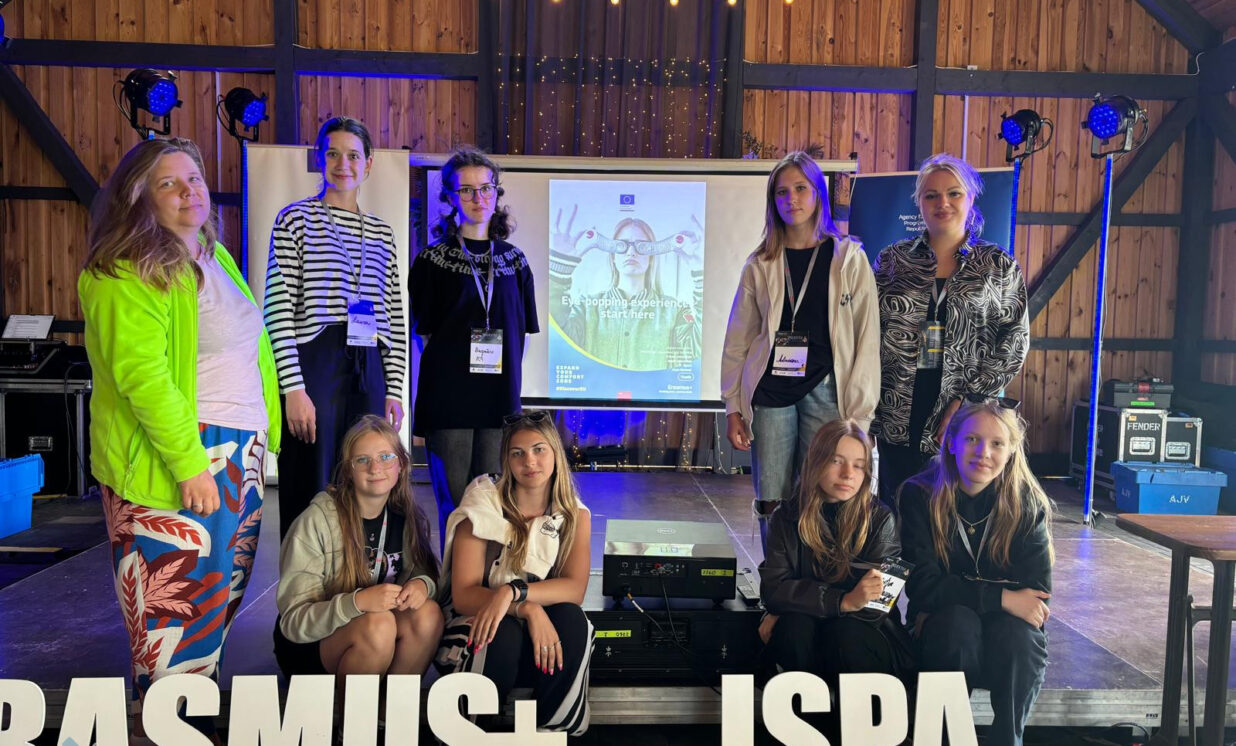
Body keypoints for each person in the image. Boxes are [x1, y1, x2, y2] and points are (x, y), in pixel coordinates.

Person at [80, 137, 281, 741]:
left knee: (216, 603)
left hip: (238, 452)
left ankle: (190, 721)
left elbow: (250, 348)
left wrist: (265, 433)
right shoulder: (123, 270)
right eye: (168, 182)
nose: (188, 190)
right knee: (170, 611)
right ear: (138, 196)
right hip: (181, 454)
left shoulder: (212, 256)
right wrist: (190, 464)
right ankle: (161, 724)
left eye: (193, 178)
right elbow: (142, 378)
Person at [721, 151, 880, 551]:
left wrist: (861, 414)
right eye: (781, 192)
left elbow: (867, 338)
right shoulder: (760, 263)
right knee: (772, 498)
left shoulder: (849, 258)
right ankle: (777, 577)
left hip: (828, 390)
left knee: (822, 492)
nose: (791, 199)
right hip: (770, 392)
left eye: (800, 189)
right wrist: (733, 405)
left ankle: (817, 576)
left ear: (818, 194)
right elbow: (738, 339)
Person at [264, 116, 408, 538]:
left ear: (368, 164)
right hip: (316, 362)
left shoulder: (381, 233)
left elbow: (393, 315)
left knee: (368, 477)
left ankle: (360, 572)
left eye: (353, 156)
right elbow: (277, 309)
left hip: (369, 361)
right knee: (311, 479)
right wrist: (293, 389)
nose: (343, 164)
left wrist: (394, 388)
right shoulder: (295, 219)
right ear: (320, 159)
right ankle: (304, 577)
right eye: (332, 154)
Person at [872, 153, 1029, 510]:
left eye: (953, 193)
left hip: (964, 413)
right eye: (931, 195)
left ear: (971, 198)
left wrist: (969, 400)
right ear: (919, 202)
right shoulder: (893, 260)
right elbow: (867, 333)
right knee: (897, 508)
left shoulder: (997, 265)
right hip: (898, 405)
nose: (942, 203)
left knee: (950, 511)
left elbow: (1014, 341)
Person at [899, 399, 1053, 746]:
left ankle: (1008, 740)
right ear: (951, 442)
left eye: (997, 443)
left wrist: (960, 590)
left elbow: (1036, 596)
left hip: (1004, 632)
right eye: (972, 439)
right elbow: (922, 586)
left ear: (1011, 451)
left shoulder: (1028, 503)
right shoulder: (919, 494)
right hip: (945, 630)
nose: (984, 452)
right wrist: (1002, 596)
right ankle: (940, 739)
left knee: (1021, 638)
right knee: (957, 625)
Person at [434, 411, 592, 736]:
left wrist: (513, 592)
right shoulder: (483, 501)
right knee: (502, 632)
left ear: (555, 452)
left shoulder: (574, 513)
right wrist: (526, 608)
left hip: (536, 637)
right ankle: (471, 731)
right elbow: (463, 595)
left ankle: (551, 732)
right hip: (476, 623)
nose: (529, 461)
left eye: (539, 450)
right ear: (505, 460)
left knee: (572, 620)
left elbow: (574, 589)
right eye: (517, 453)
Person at [410, 146, 539, 542]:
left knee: (495, 505)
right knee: (455, 507)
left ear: (496, 193)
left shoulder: (515, 261)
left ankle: (486, 578)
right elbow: (423, 334)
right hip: (449, 399)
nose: (478, 198)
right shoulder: (431, 260)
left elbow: (523, 333)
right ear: (450, 197)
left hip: (498, 400)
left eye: (486, 188)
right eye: (466, 190)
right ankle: (453, 580)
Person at [274, 415, 442, 702]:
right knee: (379, 624)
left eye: (385, 457)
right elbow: (293, 622)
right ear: (348, 471)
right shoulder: (317, 520)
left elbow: (425, 575)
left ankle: (389, 714)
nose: (375, 468)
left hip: (375, 638)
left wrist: (422, 585)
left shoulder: (405, 517)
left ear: (401, 464)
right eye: (362, 460)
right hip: (310, 647)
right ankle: (352, 721)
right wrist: (358, 602)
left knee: (428, 615)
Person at [549, 211, 702, 371]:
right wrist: (560, 269)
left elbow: (695, 350)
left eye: (642, 246)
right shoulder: (586, 307)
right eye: (621, 245)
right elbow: (559, 341)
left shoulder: (675, 311)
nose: (631, 252)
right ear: (613, 257)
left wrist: (700, 272)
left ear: (651, 258)